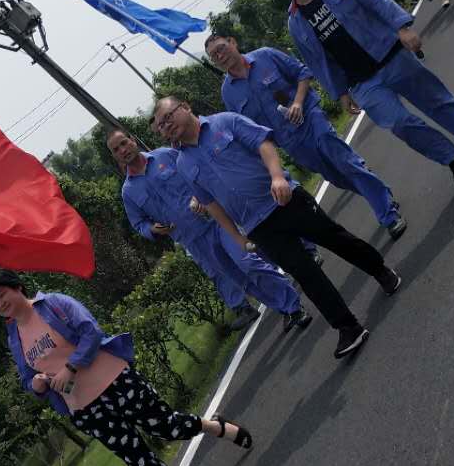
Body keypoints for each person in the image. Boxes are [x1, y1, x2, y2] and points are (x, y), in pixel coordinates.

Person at [0, 270, 252, 466]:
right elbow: (27, 379)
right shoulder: (15, 338)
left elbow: (91, 332)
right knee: (137, 457)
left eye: (2, 294)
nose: (0, 303)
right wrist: (37, 384)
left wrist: (70, 367)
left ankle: (214, 426)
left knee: (166, 426)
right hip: (85, 409)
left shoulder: (53, 303)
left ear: (18, 287)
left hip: (115, 380)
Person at [152, 96, 403, 360]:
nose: (166, 126)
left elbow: (263, 143)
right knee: (305, 273)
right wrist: (237, 237)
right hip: (258, 226)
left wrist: (277, 176)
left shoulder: (225, 122)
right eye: (161, 125)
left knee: (336, 239)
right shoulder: (183, 164)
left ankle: (381, 271)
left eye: (168, 117)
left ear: (186, 107)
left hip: (285, 200)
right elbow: (210, 203)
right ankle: (348, 328)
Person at [267, 0, 454, 190]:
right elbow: (318, 61)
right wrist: (340, 92)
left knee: (436, 100)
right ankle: (452, 158)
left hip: (391, 55)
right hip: (362, 82)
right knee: (399, 123)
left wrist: (402, 28)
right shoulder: (295, 22)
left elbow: (376, 1)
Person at [203, 33, 407, 240]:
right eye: (214, 55)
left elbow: (302, 73)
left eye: (221, 48)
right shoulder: (228, 93)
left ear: (232, 42)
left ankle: (388, 215)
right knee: (337, 177)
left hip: (311, 119)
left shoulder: (265, 56)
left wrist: (298, 103)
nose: (220, 56)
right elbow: (246, 128)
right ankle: (378, 191)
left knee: (344, 162)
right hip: (291, 143)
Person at [107, 128, 308, 334]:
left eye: (123, 143)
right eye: (116, 149)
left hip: (216, 222)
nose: (123, 150)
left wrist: (198, 196)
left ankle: (293, 305)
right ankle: (286, 308)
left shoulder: (165, 155)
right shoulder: (128, 192)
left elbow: (196, 171)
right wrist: (152, 229)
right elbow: (138, 223)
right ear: (114, 156)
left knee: (248, 263)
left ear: (132, 140)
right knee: (240, 278)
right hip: (193, 242)